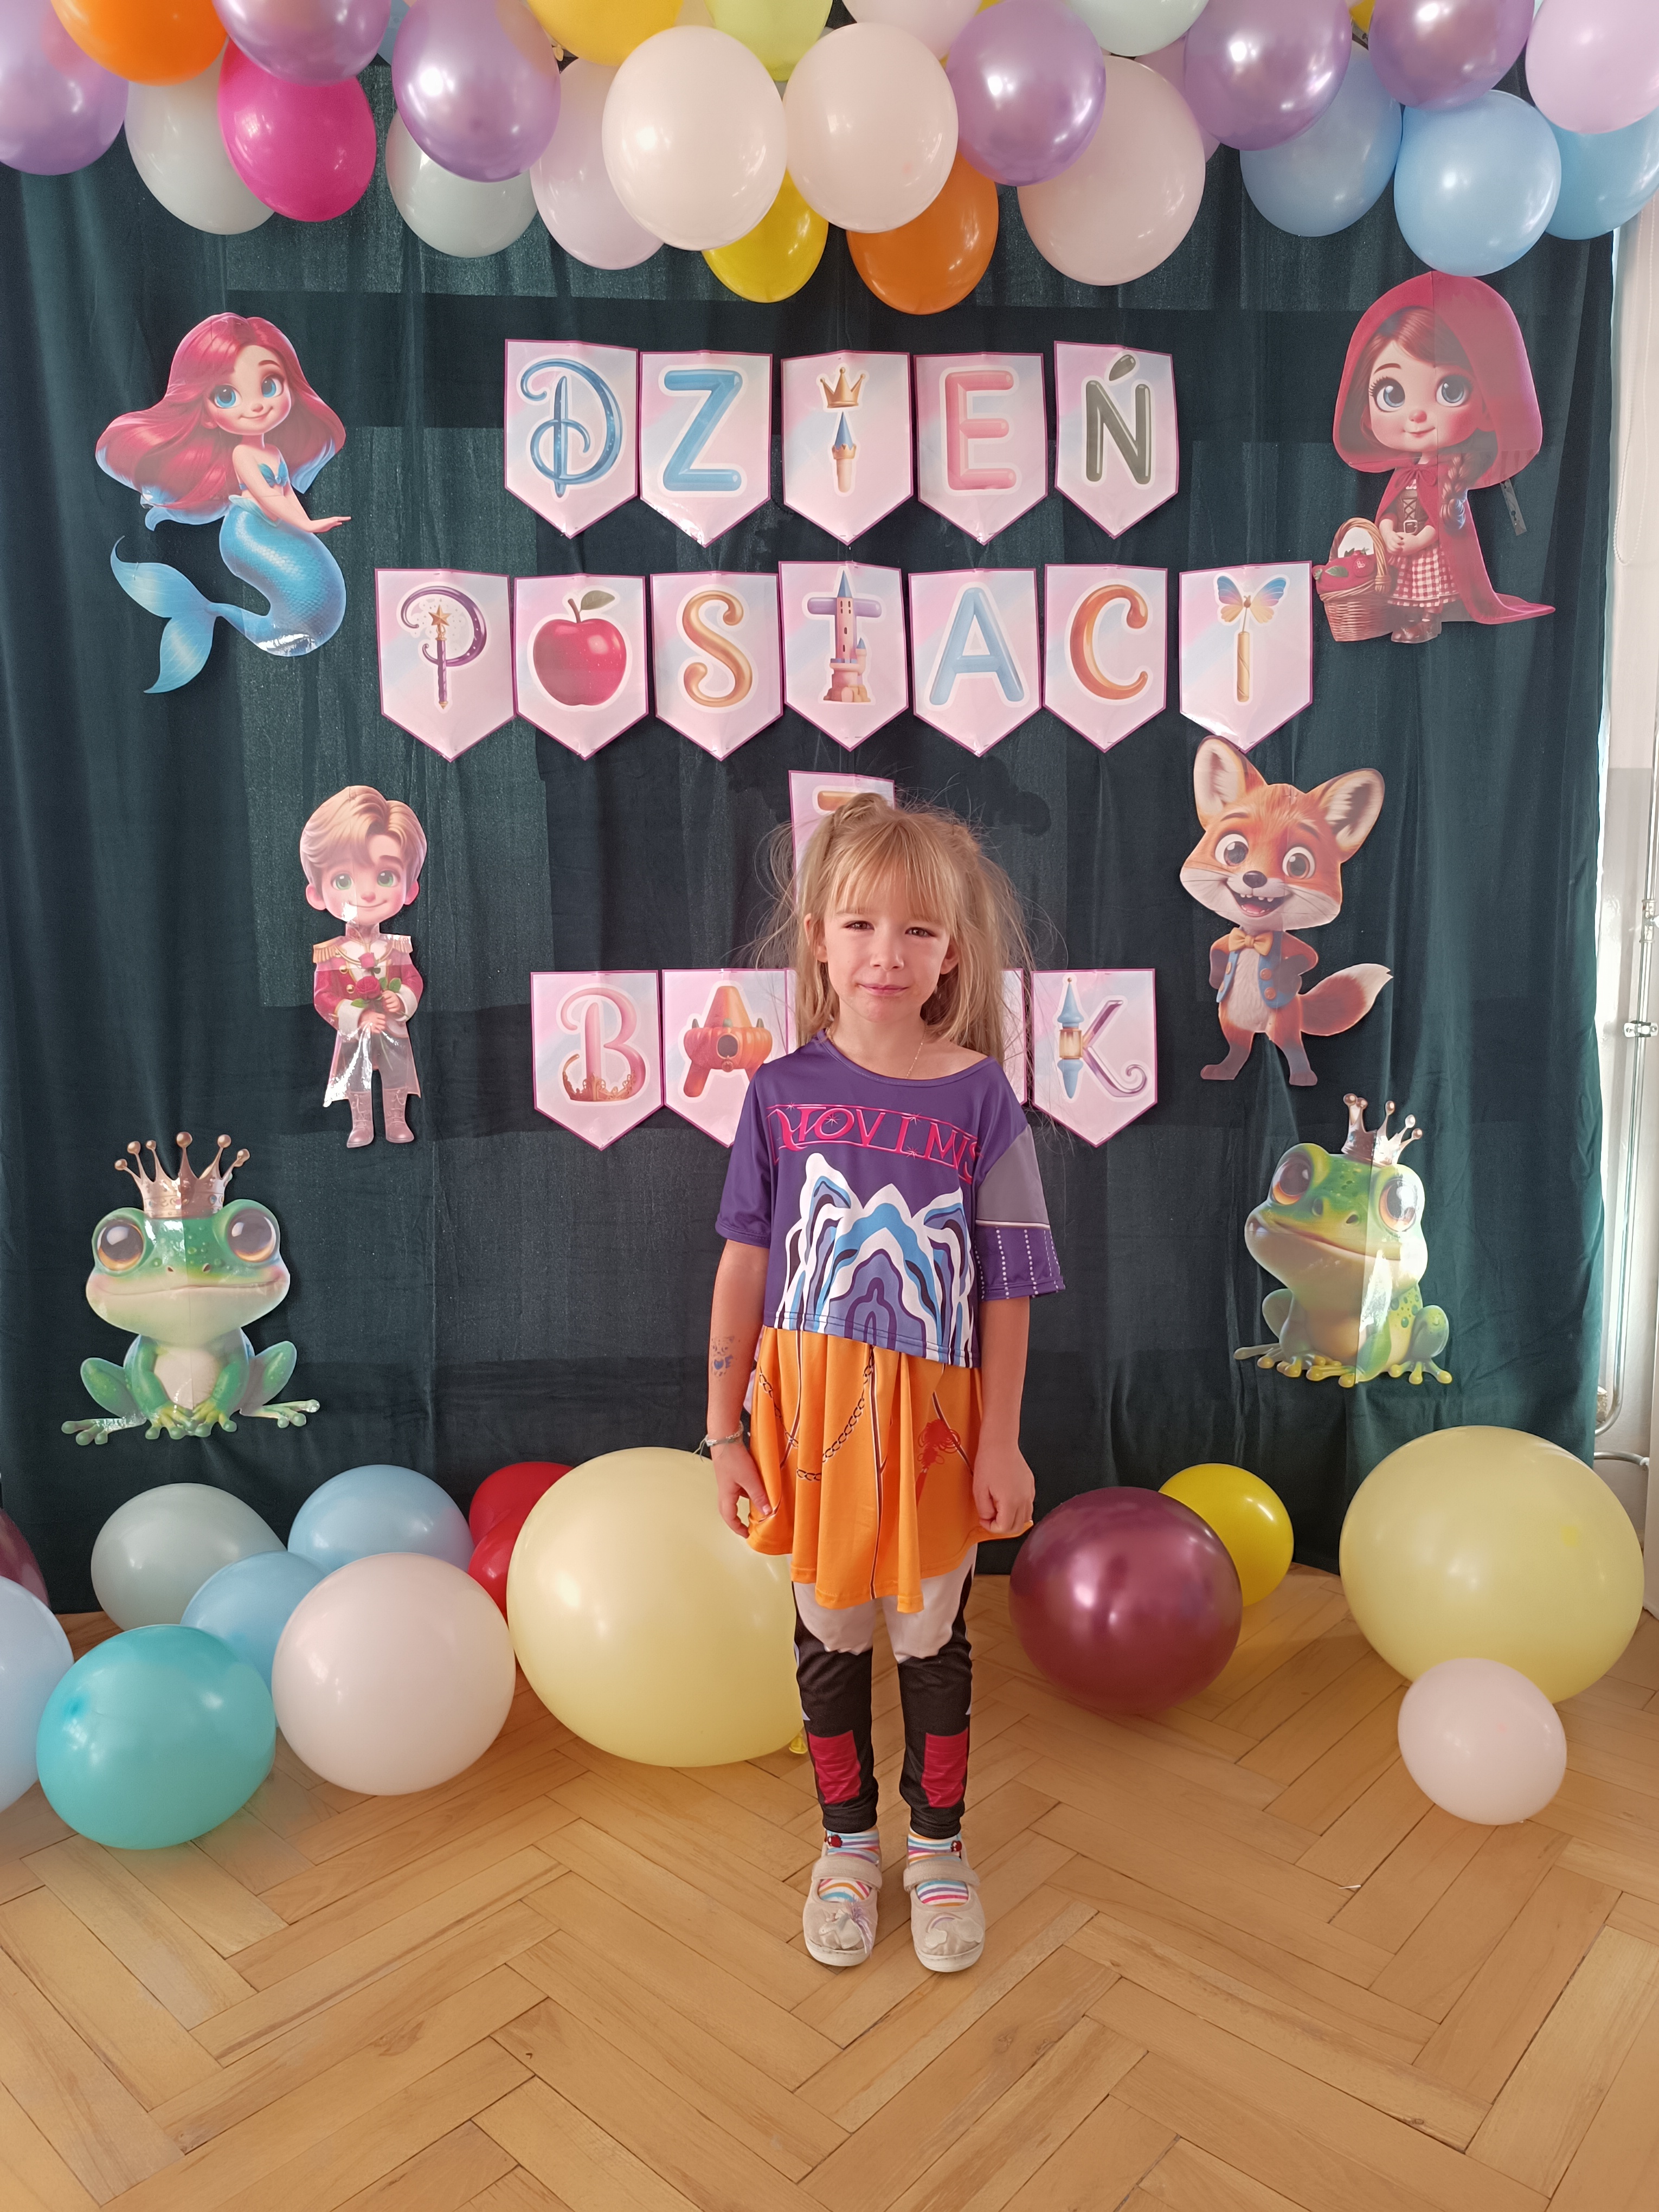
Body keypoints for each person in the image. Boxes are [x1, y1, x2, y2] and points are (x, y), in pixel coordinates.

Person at [706, 795, 1063, 1975]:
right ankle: (847, 1846)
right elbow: (744, 1265)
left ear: (951, 952)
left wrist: (1001, 1440)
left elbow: (1008, 1285)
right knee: (829, 1633)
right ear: (818, 937)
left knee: (930, 1633)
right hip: (808, 1414)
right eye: (859, 924)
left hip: (935, 1424)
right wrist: (723, 1431)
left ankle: (940, 1849)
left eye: (917, 930)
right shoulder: (778, 1094)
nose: (885, 953)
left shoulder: (981, 1097)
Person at [97, 312, 349, 693]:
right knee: (302, 605)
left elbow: (285, 495)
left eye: (269, 385)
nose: (256, 406)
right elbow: (268, 497)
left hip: (270, 526)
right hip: (247, 533)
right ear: (209, 415)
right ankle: (206, 613)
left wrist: (306, 526)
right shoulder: (243, 456)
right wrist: (309, 526)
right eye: (227, 396)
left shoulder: (274, 452)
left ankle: (207, 611)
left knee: (309, 609)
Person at [1331, 273, 1551, 646]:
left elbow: (1447, 517)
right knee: (1407, 589)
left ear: (1486, 408)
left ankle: (1427, 619)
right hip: (1405, 545)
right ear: (1365, 412)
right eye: (1391, 393)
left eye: (1451, 389)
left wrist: (1418, 541)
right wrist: (1388, 531)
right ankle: (1413, 616)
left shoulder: (1451, 473)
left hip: (1426, 550)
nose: (1418, 415)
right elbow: (1390, 509)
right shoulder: (1404, 473)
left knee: (1430, 588)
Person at [300, 787, 427, 1149]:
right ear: (317, 895)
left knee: (398, 1072)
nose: (367, 894)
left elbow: (413, 979)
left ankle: (396, 1120)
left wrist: (402, 999)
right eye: (344, 880)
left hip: (393, 1027)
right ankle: (361, 1124)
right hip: (355, 1031)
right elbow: (323, 997)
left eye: (385, 877)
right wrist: (356, 1016)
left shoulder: (397, 947)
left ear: (410, 889)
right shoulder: (331, 954)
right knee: (355, 1074)